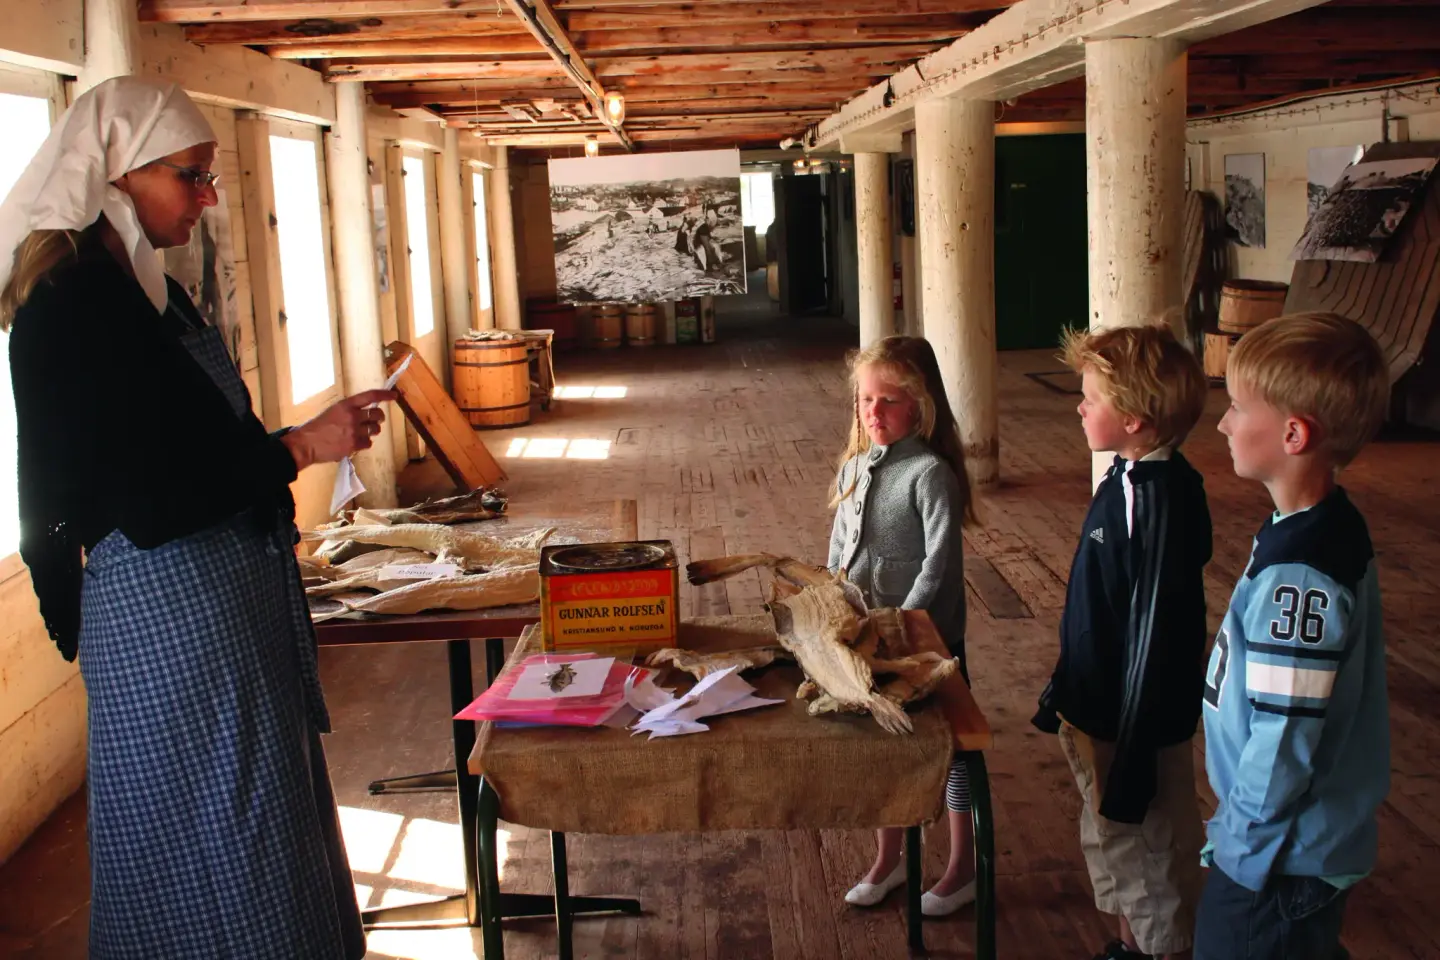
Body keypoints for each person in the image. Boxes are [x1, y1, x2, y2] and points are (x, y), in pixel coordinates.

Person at [0, 77, 391, 959]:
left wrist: (297, 442)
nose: (208, 198)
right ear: (119, 173)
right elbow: (151, 498)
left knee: (258, 816)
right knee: (202, 830)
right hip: (170, 618)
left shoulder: (150, 294)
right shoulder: (71, 307)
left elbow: (204, 443)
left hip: (220, 609)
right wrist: (299, 447)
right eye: (193, 177)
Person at [1197, 313, 1390, 960]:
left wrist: (1240, 849)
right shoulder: (1308, 527)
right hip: (1286, 846)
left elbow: (1284, 738)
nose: (1223, 423)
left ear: (1293, 432)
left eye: (1235, 406)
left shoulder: (1302, 573)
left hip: (1276, 863)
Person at [1032, 322, 1212, 960]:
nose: (1080, 407)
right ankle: (1126, 949)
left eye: (1092, 399)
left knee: (1152, 852)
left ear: (1134, 418)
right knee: (1113, 842)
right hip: (1099, 708)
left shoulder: (1158, 501)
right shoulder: (1126, 477)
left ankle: (1155, 952)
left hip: (1132, 723)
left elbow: (1156, 634)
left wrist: (1132, 746)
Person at [828, 335, 980, 917]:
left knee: (953, 749)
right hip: (868, 641)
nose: (874, 412)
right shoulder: (855, 467)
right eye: (866, 400)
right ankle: (888, 859)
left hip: (925, 644)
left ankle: (962, 864)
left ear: (920, 405)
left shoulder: (929, 474)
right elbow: (839, 547)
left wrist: (903, 622)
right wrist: (834, 603)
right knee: (886, 747)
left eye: (890, 401)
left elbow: (937, 565)